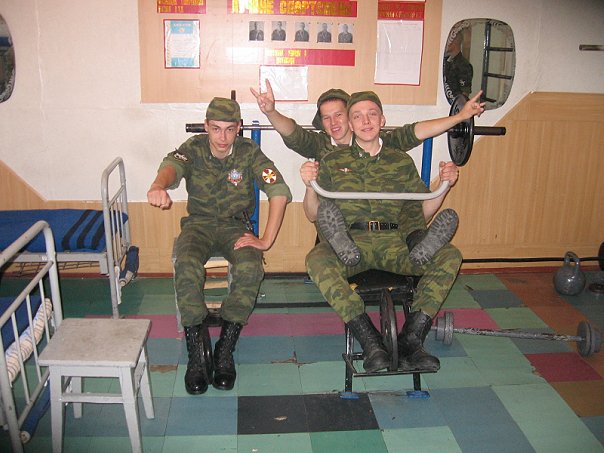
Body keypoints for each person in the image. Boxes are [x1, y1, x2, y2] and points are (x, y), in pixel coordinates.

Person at [300, 91, 467, 374]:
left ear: (382, 120)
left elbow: (421, 212)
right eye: (357, 116)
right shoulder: (331, 161)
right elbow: (313, 214)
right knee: (316, 259)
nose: (365, 121)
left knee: (449, 255)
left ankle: (411, 339)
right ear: (350, 124)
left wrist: (443, 185)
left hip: (394, 241)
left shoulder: (400, 162)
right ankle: (371, 342)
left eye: (372, 114)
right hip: (350, 242)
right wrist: (309, 186)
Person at [250, 80, 484, 264]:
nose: (334, 123)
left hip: (380, 224)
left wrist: (460, 117)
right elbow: (293, 133)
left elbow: (417, 132)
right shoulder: (320, 146)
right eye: (326, 118)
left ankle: (415, 243)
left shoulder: (377, 141)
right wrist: (271, 112)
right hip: (340, 228)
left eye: (339, 115)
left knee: (406, 211)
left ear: (350, 117)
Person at [147, 97, 291, 395]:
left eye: (229, 129)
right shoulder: (194, 148)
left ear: (239, 127)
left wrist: (266, 240)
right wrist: (158, 185)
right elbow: (172, 166)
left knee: (251, 267)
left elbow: (278, 189)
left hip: (234, 227)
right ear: (206, 126)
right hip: (198, 226)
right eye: (216, 129)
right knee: (186, 265)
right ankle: (197, 349)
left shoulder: (249, 152)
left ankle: (225, 346)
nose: (223, 137)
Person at [443, 31, 473, 101]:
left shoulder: (463, 65)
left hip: (453, 104)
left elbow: (464, 94)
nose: (446, 44)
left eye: (448, 41)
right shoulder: (446, 61)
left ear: (454, 43)